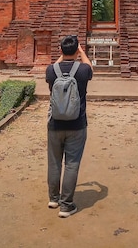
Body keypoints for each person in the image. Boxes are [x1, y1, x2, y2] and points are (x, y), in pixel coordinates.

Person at [45, 35, 93, 218]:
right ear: (77, 50)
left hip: (54, 124)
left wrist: (61, 55)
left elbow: (55, 67)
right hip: (77, 124)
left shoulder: (51, 70)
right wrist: (81, 52)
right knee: (71, 164)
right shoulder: (82, 71)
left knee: (54, 162)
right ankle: (66, 206)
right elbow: (89, 67)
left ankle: (53, 198)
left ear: (60, 50)